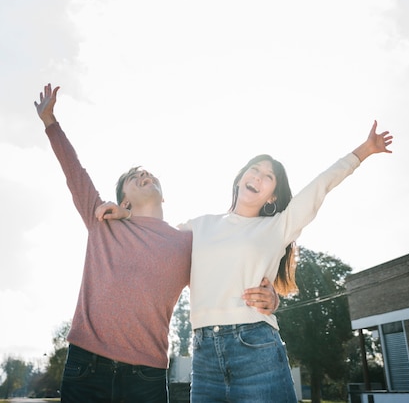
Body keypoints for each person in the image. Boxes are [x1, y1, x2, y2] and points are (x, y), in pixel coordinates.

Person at [99, 119, 393, 402]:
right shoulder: (199, 225)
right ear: (239, 178)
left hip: (256, 348)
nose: (258, 177)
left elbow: (321, 185)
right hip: (204, 355)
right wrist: (128, 214)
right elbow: (156, 242)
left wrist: (364, 150)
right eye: (254, 170)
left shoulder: (278, 226)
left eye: (268, 177)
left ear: (271, 196)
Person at [34, 83, 278, 403]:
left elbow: (226, 274)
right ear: (124, 198)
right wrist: (50, 122)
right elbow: (74, 172)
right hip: (87, 366)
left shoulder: (187, 242)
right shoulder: (102, 221)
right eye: (133, 176)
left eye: (148, 173)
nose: (144, 174)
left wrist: (270, 295)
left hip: (146, 376)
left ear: (164, 194)